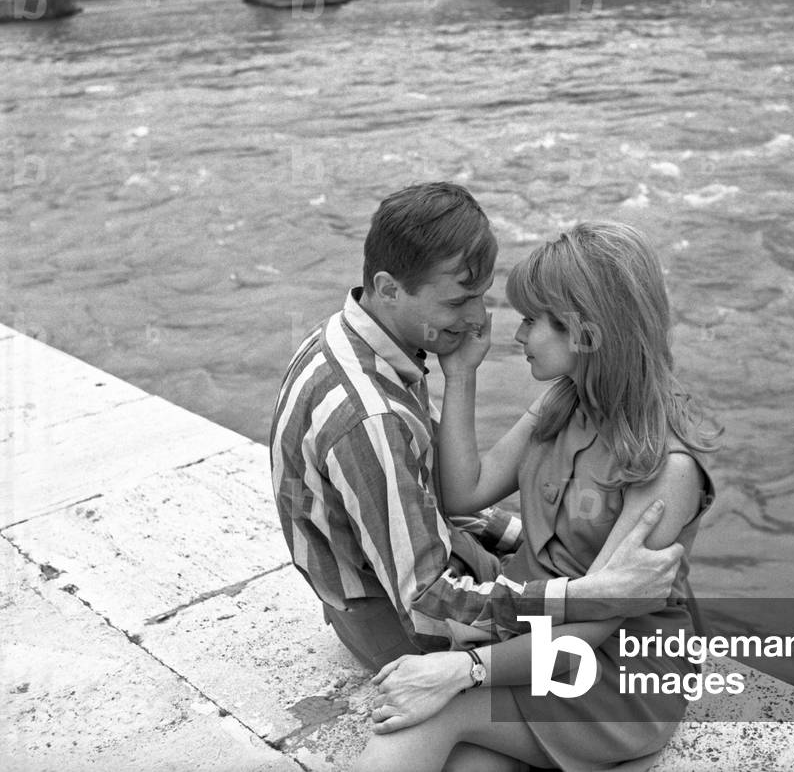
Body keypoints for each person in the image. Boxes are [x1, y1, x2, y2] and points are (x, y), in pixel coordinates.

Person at [269, 184, 684, 678]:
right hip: (403, 630)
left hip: (370, 595)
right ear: (388, 288)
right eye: (458, 302)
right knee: (600, 627)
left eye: (480, 297)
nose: (477, 320)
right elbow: (430, 604)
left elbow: (425, 497)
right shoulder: (371, 417)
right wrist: (585, 594)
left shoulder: (348, 340)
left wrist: (521, 539)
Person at [352, 220, 719, 772]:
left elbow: (598, 618)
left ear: (584, 331)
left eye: (530, 320)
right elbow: (464, 493)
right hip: (535, 636)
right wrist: (460, 375)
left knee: (424, 718)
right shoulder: (562, 402)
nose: (516, 335)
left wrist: (466, 669)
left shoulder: (667, 467)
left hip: (609, 673)